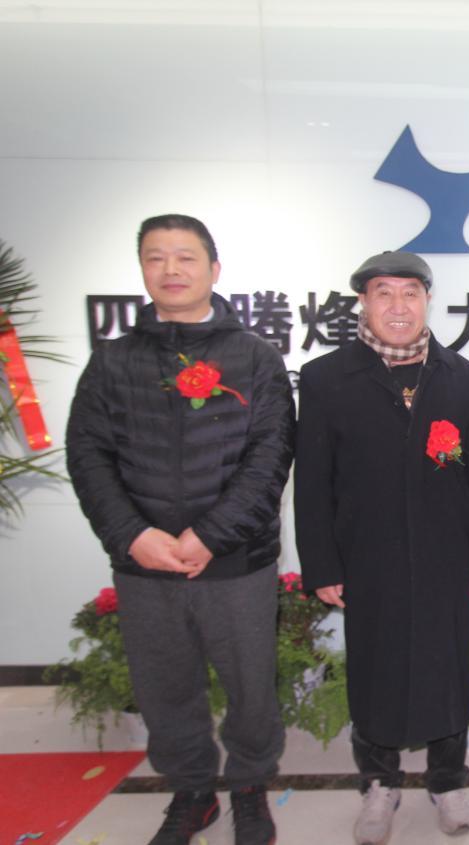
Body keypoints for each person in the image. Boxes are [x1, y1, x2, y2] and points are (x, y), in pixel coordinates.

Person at [66, 214, 294, 845]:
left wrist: (210, 535)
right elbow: (87, 454)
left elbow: (270, 455)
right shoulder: (113, 360)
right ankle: (193, 793)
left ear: (213, 270)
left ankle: (249, 786)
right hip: (144, 563)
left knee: (251, 687)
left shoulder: (254, 356)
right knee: (165, 687)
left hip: (236, 562)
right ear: (142, 269)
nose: (171, 270)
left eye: (185, 257)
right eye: (156, 257)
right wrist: (132, 535)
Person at [295, 251, 469, 841]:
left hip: (446, 557)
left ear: (427, 300)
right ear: (363, 302)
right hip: (367, 559)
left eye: (410, 293)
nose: (398, 306)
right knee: (373, 670)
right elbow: (312, 483)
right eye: (384, 293)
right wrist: (322, 563)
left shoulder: (461, 378)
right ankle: (379, 783)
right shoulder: (326, 379)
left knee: (449, 667)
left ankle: (448, 779)